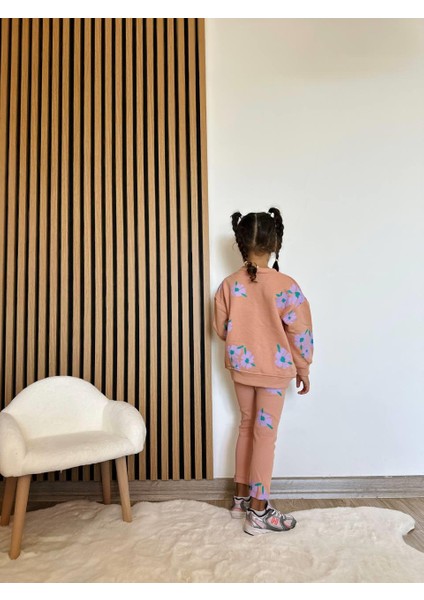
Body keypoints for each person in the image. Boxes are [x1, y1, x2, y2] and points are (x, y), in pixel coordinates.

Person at [213, 207, 314, 536]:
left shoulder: (229, 285)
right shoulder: (286, 285)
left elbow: (221, 329)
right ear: (275, 244)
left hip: (241, 368)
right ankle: (258, 511)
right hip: (274, 371)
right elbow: (300, 332)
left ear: (242, 243)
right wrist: (303, 367)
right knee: (264, 435)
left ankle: (240, 499)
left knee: (245, 425)